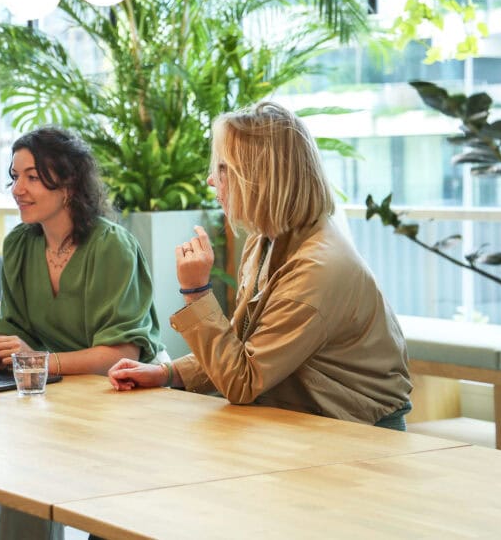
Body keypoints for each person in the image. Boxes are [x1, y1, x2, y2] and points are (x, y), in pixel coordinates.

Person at [108, 102, 413, 430]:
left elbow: (242, 381)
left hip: (360, 436)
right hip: (302, 423)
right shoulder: (265, 240)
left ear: (260, 178)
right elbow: (247, 347)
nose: (212, 180)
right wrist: (168, 373)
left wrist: (196, 293)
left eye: (224, 169)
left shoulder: (317, 269)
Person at [0, 126, 166, 540]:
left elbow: (121, 354)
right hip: (49, 403)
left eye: (32, 177)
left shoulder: (112, 247)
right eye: (14, 177)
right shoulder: (19, 244)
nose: (18, 189)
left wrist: (41, 361)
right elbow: (12, 326)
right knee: (21, 488)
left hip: (118, 405)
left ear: (68, 183)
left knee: (105, 515)